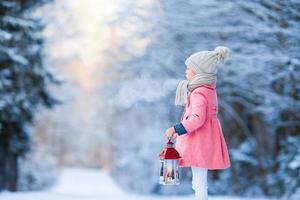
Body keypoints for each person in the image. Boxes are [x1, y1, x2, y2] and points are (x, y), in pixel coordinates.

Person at [164, 46, 231, 200]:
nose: (186, 71)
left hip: (200, 141)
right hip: (206, 139)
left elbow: (198, 118)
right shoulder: (208, 89)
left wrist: (177, 128)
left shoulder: (199, 92)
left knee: (199, 182)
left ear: (199, 72)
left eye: (189, 68)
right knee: (198, 180)